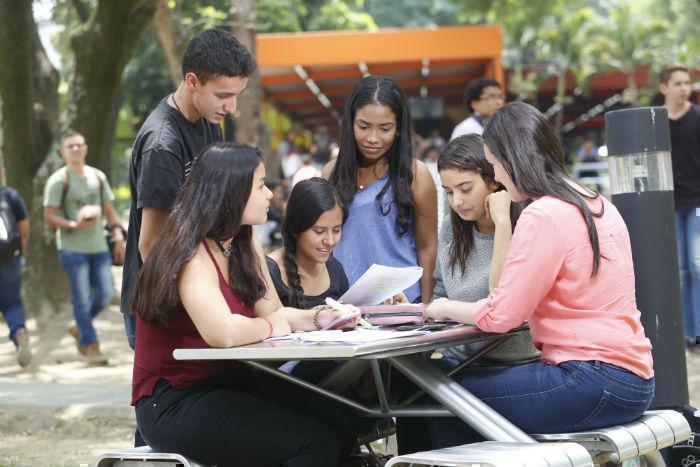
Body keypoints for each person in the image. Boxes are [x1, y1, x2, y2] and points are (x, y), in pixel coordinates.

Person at [424, 102, 654, 446]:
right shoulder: (597, 202)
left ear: (513, 158)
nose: (497, 177)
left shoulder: (542, 214)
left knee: (431, 396)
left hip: (586, 379)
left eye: (496, 166)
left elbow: (502, 315)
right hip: (635, 380)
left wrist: (441, 308)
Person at [130, 143, 359, 466]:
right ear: (232, 193)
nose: (270, 195)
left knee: (345, 421)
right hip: (176, 401)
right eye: (262, 185)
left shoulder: (243, 238)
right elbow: (222, 333)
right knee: (314, 443)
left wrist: (322, 317)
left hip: (233, 382)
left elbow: (275, 313)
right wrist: (271, 326)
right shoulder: (191, 252)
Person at [121, 28, 255, 351]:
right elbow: (152, 243)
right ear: (192, 81)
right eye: (223, 95)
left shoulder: (210, 120)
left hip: (196, 289)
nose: (232, 107)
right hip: (161, 302)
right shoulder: (162, 145)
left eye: (237, 95)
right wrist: (198, 299)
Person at [323, 75, 438, 303]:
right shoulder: (330, 173)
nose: (373, 138)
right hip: (347, 307)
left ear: (398, 128)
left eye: (384, 128)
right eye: (364, 127)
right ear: (350, 123)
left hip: (403, 306)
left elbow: (428, 247)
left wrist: (425, 308)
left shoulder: (416, 175)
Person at [432, 134, 539, 367]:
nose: (457, 201)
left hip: (517, 363)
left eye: (465, 188)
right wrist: (412, 311)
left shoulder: (528, 223)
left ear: (494, 181)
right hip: (460, 360)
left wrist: (502, 224)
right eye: (449, 192)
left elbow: (501, 303)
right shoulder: (452, 228)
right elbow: (440, 294)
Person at [44, 131, 125, 365]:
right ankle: (90, 346)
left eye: (79, 145)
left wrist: (118, 235)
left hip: (98, 246)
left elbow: (109, 209)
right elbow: (49, 216)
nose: (76, 149)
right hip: (72, 247)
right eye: (70, 146)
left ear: (86, 148)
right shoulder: (59, 180)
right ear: (63, 152)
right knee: (80, 298)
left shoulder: (97, 177)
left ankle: (79, 325)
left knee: (107, 292)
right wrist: (72, 224)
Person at [660, 64, 700, 350]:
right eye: (678, 83)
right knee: (681, 269)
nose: (685, 88)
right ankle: (687, 332)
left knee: (697, 266)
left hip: (698, 204)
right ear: (664, 88)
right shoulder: (656, 120)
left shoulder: (698, 118)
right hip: (670, 204)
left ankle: (697, 332)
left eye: (687, 83)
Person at [267, 177, 348, 308]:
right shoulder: (268, 272)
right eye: (319, 231)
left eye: (336, 230)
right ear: (295, 227)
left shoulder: (334, 268)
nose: (330, 241)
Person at [0, 170, 31, 367]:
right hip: (9, 258)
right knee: (12, 304)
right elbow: (24, 229)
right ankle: (19, 331)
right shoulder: (10, 195)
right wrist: (17, 253)